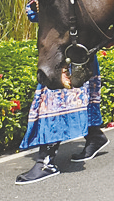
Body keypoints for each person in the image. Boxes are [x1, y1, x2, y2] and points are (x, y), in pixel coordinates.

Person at [15, 44, 109, 184]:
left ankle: (46, 161)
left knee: (55, 99)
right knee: (81, 93)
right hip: (78, 45)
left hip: (64, 49)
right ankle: (94, 136)